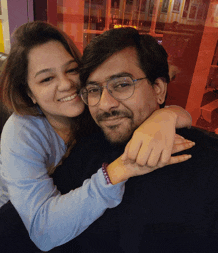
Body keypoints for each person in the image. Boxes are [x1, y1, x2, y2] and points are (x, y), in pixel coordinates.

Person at [0, 21, 193, 251]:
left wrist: (165, 117)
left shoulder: (91, 105)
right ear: (29, 93)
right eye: (46, 79)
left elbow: (183, 117)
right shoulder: (22, 133)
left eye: (71, 69)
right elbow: (43, 231)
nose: (66, 85)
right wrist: (118, 170)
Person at [44, 27, 218, 252]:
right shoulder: (85, 151)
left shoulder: (210, 167)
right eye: (94, 90)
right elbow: (45, 226)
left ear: (158, 89)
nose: (105, 104)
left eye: (122, 84)